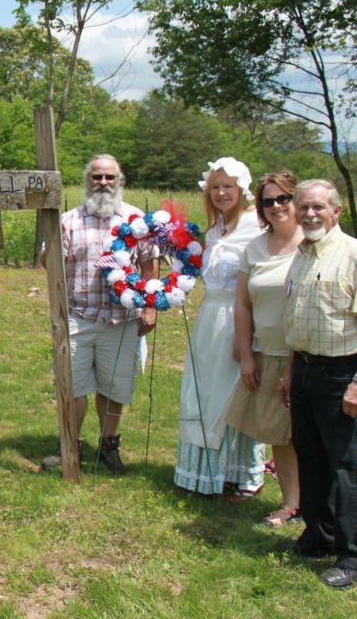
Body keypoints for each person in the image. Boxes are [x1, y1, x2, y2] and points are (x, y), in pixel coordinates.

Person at [279, 179, 357, 590]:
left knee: (347, 468)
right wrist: (291, 372)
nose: (309, 214)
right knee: (311, 458)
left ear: (336, 211)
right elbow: (296, 322)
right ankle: (318, 536)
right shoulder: (302, 255)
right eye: (303, 207)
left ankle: (355, 554)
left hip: (343, 374)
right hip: (306, 371)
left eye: (318, 208)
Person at [40, 155, 158, 474]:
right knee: (74, 385)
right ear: (87, 180)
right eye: (97, 177)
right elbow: (50, 263)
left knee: (114, 386)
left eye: (109, 177)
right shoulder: (68, 220)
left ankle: (109, 446)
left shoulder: (136, 220)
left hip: (121, 319)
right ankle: (70, 445)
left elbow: (149, 263)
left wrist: (149, 307)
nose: (103, 183)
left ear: (120, 180)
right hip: (78, 316)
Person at [175, 157, 265, 497]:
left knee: (231, 392)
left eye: (227, 186)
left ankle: (236, 473)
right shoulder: (215, 229)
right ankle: (199, 471)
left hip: (238, 318)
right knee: (202, 391)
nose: (221, 193)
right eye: (214, 187)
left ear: (242, 189)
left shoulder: (255, 227)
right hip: (209, 319)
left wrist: (247, 337)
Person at [227, 171, 302, 527]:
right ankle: (291, 504)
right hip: (265, 351)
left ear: (295, 199)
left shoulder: (312, 243)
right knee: (278, 433)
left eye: (282, 198)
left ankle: (318, 504)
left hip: (305, 355)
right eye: (267, 201)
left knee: (307, 434)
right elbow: (242, 304)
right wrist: (245, 353)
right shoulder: (255, 246)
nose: (275, 206)